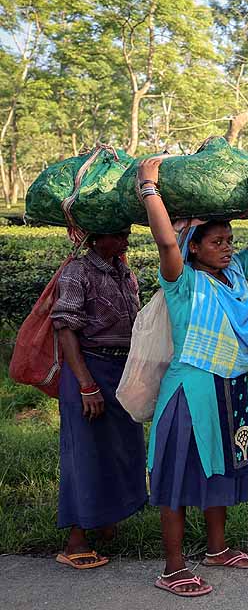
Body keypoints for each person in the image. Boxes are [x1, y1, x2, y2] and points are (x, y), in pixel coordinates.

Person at [138, 156, 248, 597]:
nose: (226, 247)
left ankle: (217, 549)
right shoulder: (182, 280)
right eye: (216, 241)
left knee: (221, 470)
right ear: (193, 247)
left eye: (229, 240)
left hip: (229, 386)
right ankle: (174, 567)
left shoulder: (235, 274)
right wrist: (149, 188)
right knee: (177, 475)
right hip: (191, 389)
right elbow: (165, 244)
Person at [50, 230, 147, 569]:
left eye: (126, 232)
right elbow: (65, 328)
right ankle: (76, 540)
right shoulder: (78, 271)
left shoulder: (124, 272)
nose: (127, 238)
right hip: (89, 369)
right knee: (87, 452)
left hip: (121, 370)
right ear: (96, 238)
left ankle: (108, 519)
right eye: (118, 234)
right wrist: (86, 384)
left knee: (123, 447)